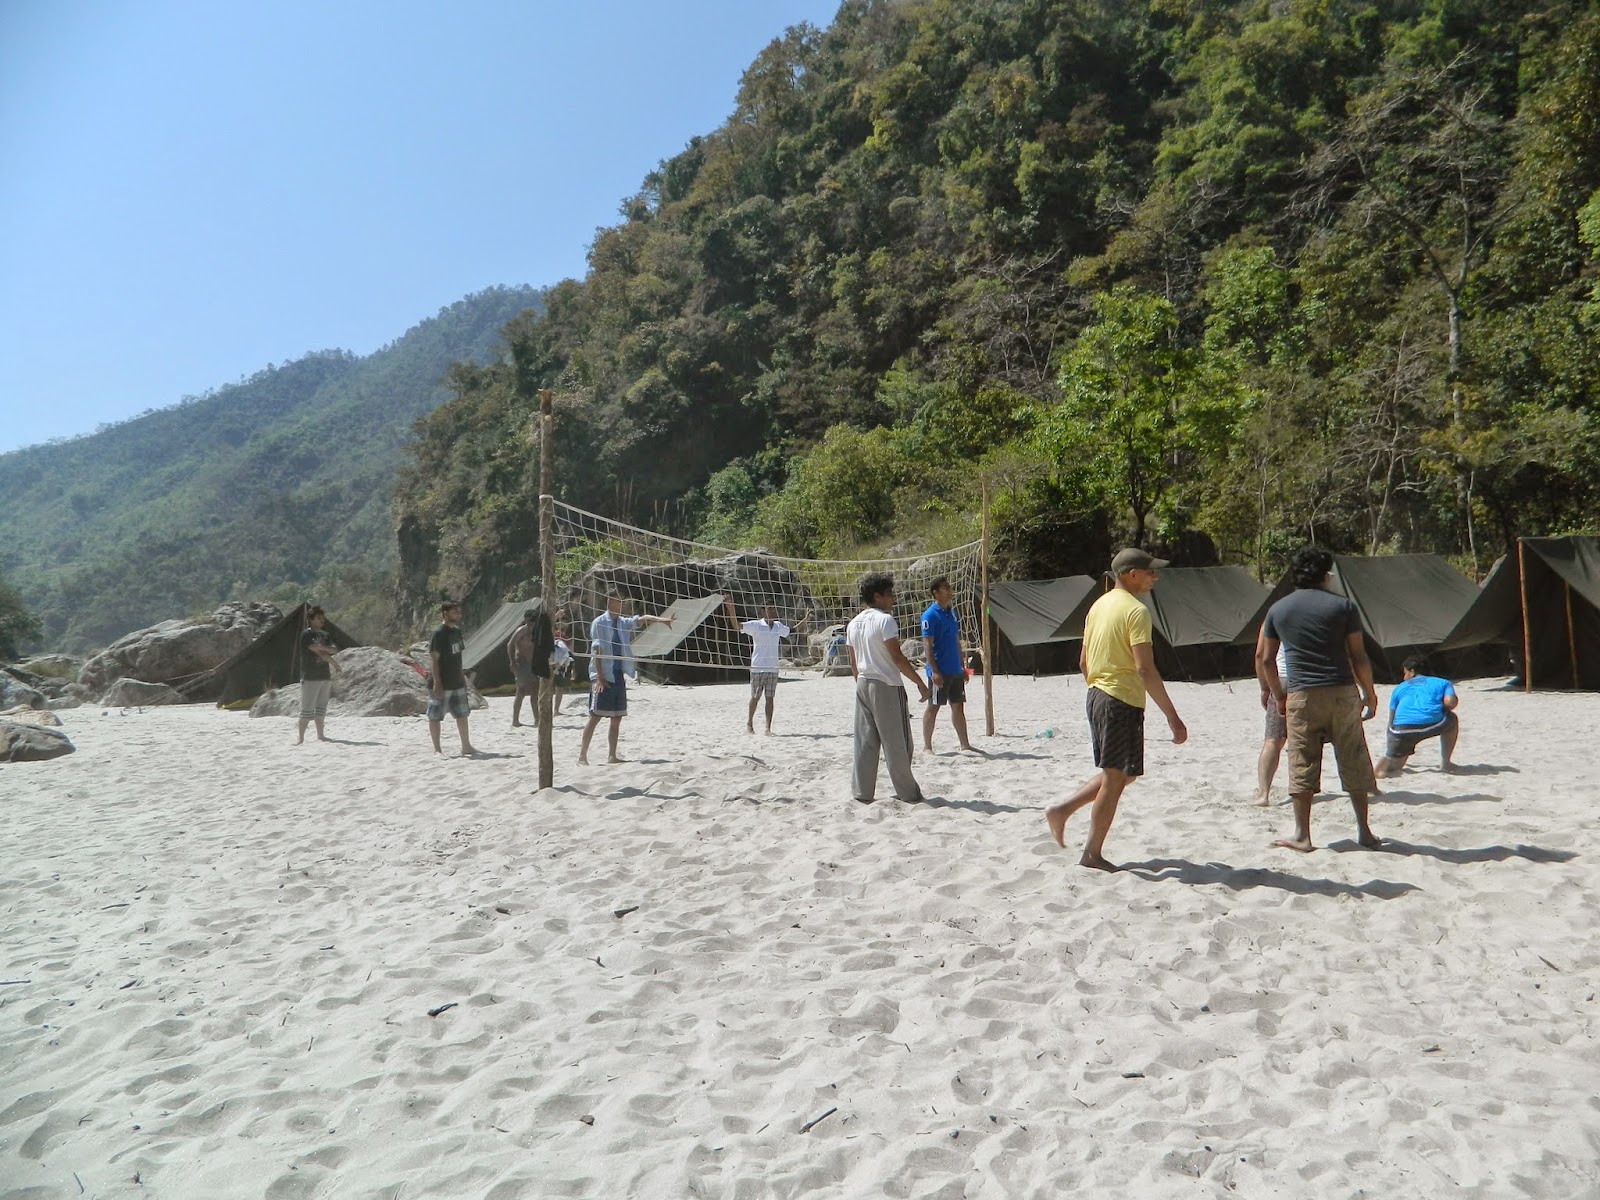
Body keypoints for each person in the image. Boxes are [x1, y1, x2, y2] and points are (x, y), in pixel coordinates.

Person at [1045, 549, 1187, 871]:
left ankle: (1063, 810)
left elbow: (1083, 661)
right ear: (1131, 574)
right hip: (1119, 701)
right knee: (1115, 778)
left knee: (1123, 774)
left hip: (1097, 695)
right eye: (1150, 572)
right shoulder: (1136, 612)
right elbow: (1145, 669)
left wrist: (1099, 690)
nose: (1155, 577)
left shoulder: (1098, 606)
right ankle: (1091, 854)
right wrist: (1172, 717)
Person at [1256, 546, 1380, 852]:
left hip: (1301, 694)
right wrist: (1370, 693)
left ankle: (1303, 835)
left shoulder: (1278, 610)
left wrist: (1278, 695)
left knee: (1302, 760)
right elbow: (1359, 655)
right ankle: (1364, 831)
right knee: (1352, 756)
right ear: (1326, 575)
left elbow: (1266, 659)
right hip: (1341, 691)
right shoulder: (1344, 607)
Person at [847, 573, 930, 804]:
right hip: (886, 684)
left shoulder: (853, 623)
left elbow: (853, 663)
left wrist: (861, 685)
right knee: (899, 742)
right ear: (877, 596)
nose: (893, 598)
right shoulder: (885, 620)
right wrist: (920, 684)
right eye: (890, 594)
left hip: (863, 682)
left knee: (865, 741)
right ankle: (908, 792)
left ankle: (862, 792)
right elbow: (897, 657)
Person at [579, 591, 675, 765]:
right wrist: (599, 678)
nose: (621, 604)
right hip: (602, 675)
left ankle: (612, 756)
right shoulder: (599, 623)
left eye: (621, 601)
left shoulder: (622, 623)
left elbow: (642, 618)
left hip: (618, 675)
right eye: (617, 601)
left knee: (616, 718)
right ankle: (582, 756)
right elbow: (597, 652)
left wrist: (663, 620)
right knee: (595, 717)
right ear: (609, 602)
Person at [726, 597, 809, 735]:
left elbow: (792, 630)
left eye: (773, 608)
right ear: (763, 611)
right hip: (758, 667)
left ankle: (767, 728)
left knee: (770, 699)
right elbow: (737, 626)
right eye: (769, 608)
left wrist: (805, 620)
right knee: (755, 697)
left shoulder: (778, 626)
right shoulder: (756, 625)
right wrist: (731, 609)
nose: (772, 611)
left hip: (772, 668)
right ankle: (749, 723)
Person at [1375, 655, 1460, 776]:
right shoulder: (1443, 682)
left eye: (1405, 673)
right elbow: (1450, 703)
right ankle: (1446, 762)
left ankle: (1386, 762)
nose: (1404, 677)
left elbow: (1392, 719)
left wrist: (1392, 747)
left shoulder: (1399, 688)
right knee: (1452, 718)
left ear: (1412, 672)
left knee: (1396, 766)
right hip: (1433, 724)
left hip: (1401, 730)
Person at [921, 576, 975, 753]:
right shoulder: (930, 615)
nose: (950, 591)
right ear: (936, 593)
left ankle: (965, 745)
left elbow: (956, 640)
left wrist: (963, 666)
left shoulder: (952, 612)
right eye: (945, 588)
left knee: (958, 706)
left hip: (954, 668)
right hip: (940, 669)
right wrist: (934, 671)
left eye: (949, 587)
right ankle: (927, 746)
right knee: (934, 706)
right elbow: (927, 644)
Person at [428, 600, 476, 756]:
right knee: (435, 716)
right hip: (442, 681)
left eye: (459, 612)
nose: (458, 615)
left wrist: (462, 677)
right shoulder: (438, 634)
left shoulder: (457, 632)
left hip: (456, 681)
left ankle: (466, 746)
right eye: (455, 612)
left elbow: (458, 657)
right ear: (445, 614)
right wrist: (437, 682)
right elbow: (434, 659)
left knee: (462, 714)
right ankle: (437, 749)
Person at [295, 606, 338, 745]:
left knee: (321, 707)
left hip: (324, 675)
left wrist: (329, 657)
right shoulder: (306, 635)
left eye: (322, 618)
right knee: (307, 708)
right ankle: (300, 737)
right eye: (319, 618)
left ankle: (321, 735)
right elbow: (314, 649)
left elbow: (333, 649)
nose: (322, 621)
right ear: (311, 619)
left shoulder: (325, 635)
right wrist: (326, 653)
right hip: (310, 676)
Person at [1252, 645, 1289, 806]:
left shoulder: (1272, 619)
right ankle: (1305, 789)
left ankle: (1263, 794)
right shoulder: (1320, 618)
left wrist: (1265, 687)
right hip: (1311, 679)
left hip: (1282, 678)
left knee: (1273, 740)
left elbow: (1261, 655)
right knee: (1308, 740)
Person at [507, 605, 554, 729]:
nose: (532, 624)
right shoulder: (521, 631)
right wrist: (512, 662)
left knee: (535, 692)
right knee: (521, 691)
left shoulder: (538, 631)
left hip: (534, 664)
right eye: (530, 621)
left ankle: (537, 719)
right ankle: (515, 720)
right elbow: (509, 645)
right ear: (526, 621)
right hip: (521, 663)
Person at [550, 607, 574, 715]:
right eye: (560, 622)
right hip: (553, 663)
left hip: (564, 665)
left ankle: (556, 710)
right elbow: (548, 626)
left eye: (565, 622)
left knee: (560, 688)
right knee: (549, 687)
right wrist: (556, 616)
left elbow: (572, 653)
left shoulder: (569, 637)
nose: (563, 624)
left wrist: (573, 669)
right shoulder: (554, 634)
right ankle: (549, 710)